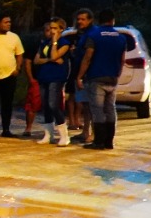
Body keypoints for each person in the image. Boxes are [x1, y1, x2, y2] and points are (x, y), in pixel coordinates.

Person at [75, 8, 136, 150]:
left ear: (98, 20)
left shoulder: (94, 36)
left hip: (96, 77)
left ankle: (99, 142)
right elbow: (122, 59)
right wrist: (117, 74)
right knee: (110, 109)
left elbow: (88, 57)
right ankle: (109, 142)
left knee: (97, 110)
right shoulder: (120, 38)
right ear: (113, 21)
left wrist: (79, 76)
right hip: (112, 78)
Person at [31, 16, 72, 146]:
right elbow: (36, 60)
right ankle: (48, 134)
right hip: (44, 76)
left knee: (53, 104)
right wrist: (50, 60)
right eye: (51, 28)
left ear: (61, 29)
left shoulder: (64, 43)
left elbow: (55, 55)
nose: (52, 30)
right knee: (45, 106)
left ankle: (64, 135)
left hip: (56, 77)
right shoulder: (45, 43)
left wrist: (54, 43)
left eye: (55, 28)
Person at [65, 9, 95, 144]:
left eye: (83, 19)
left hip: (89, 75)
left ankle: (93, 134)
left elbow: (88, 56)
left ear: (90, 20)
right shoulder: (81, 34)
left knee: (93, 105)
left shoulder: (92, 34)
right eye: (78, 19)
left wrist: (81, 76)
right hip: (79, 73)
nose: (79, 22)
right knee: (86, 105)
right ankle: (85, 132)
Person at [21, 31, 43, 136]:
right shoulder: (36, 44)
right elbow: (28, 62)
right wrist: (30, 78)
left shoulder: (60, 44)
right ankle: (28, 128)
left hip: (52, 79)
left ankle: (51, 129)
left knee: (53, 105)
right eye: (48, 30)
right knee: (32, 104)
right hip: (36, 78)